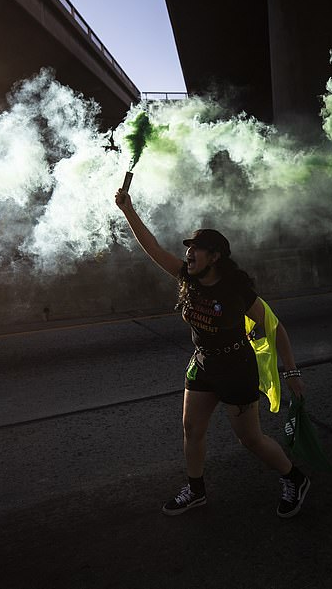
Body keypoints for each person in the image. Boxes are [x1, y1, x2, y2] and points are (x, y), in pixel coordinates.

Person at [115, 188, 310, 518]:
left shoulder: (235, 289)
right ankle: (196, 489)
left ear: (215, 256)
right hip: (203, 363)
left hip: (236, 369)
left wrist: (291, 373)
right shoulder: (186, 277)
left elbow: (275, 328)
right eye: (188, 249)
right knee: (192, 430)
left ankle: (295, 477)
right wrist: (127, 210)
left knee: (250, 440)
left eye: (196, 250)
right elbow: (152, 247)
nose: (189, 255)